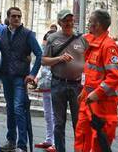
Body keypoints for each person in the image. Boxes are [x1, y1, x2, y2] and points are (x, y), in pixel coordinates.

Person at [74, 10, 118, 152]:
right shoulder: (94, 44)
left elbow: (115, 75)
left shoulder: (109, 46)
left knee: (100, 141)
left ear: (97, 25)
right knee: (82, 135)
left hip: (103, 104)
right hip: (88, 100)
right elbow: (90, 74)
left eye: (90, 22)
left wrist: (97, 93)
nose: (88, 25)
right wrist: (84, 91)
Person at [41, 10, 87, 152]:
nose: (68, 23)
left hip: (77, 85)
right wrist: (59, 59)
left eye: (70, 20)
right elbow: (43, 60)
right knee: (59, 123)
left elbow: (90, 59)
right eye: (65, 20)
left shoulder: (82, 39)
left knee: (78, 123)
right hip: (58, 84)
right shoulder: (52, 38)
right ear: (60, 22)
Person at [0, 7, 42, 152]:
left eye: (19, 16)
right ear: (8, 18)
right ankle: (11, 140)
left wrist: (33, 74)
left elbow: (39, 54)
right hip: (5, 75)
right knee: (10, 108)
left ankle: (22, 145)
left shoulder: (27, 34)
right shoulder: (3, 32)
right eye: (14, 16)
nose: (17, 19)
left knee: (18, 108)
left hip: (20, 77)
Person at [34, 25, 58, 152]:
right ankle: (49, 139)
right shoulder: (45, 51)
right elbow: (41, 66)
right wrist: (37, 77)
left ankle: (55, 142)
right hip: (45, 86)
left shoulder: (60, 53)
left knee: (55, 115)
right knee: (47, 114)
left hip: (55, 86)